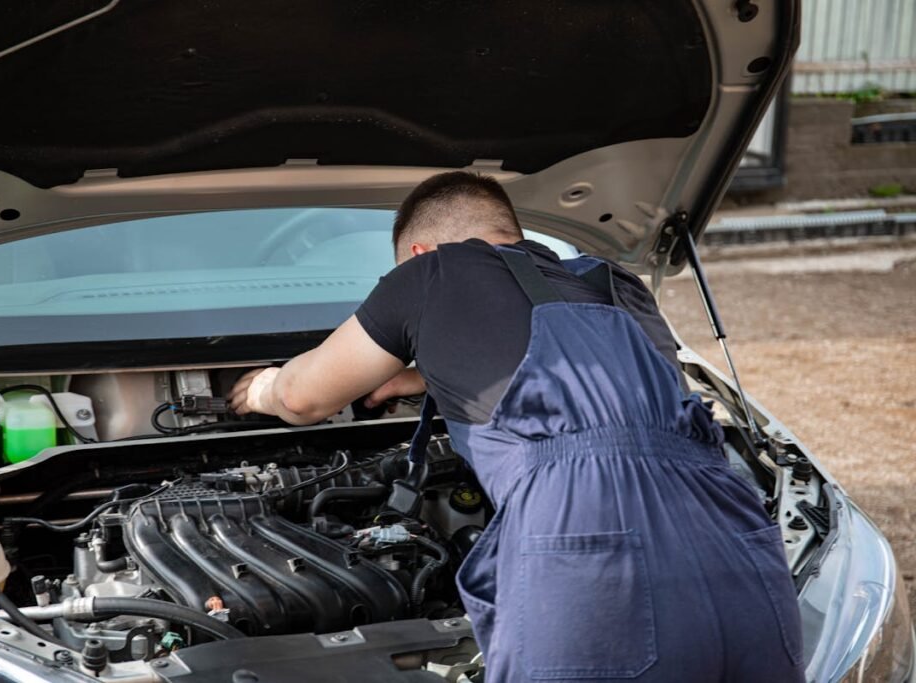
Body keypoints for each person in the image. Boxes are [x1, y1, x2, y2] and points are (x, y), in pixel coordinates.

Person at [230, 172, 804, 682]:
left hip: (588, 533)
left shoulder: (428, 274)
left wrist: (261, 389)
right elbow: (615, 388)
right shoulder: (614, 281)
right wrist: (426, 375)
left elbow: (304, 399)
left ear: (420, 252)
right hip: (730, 529)